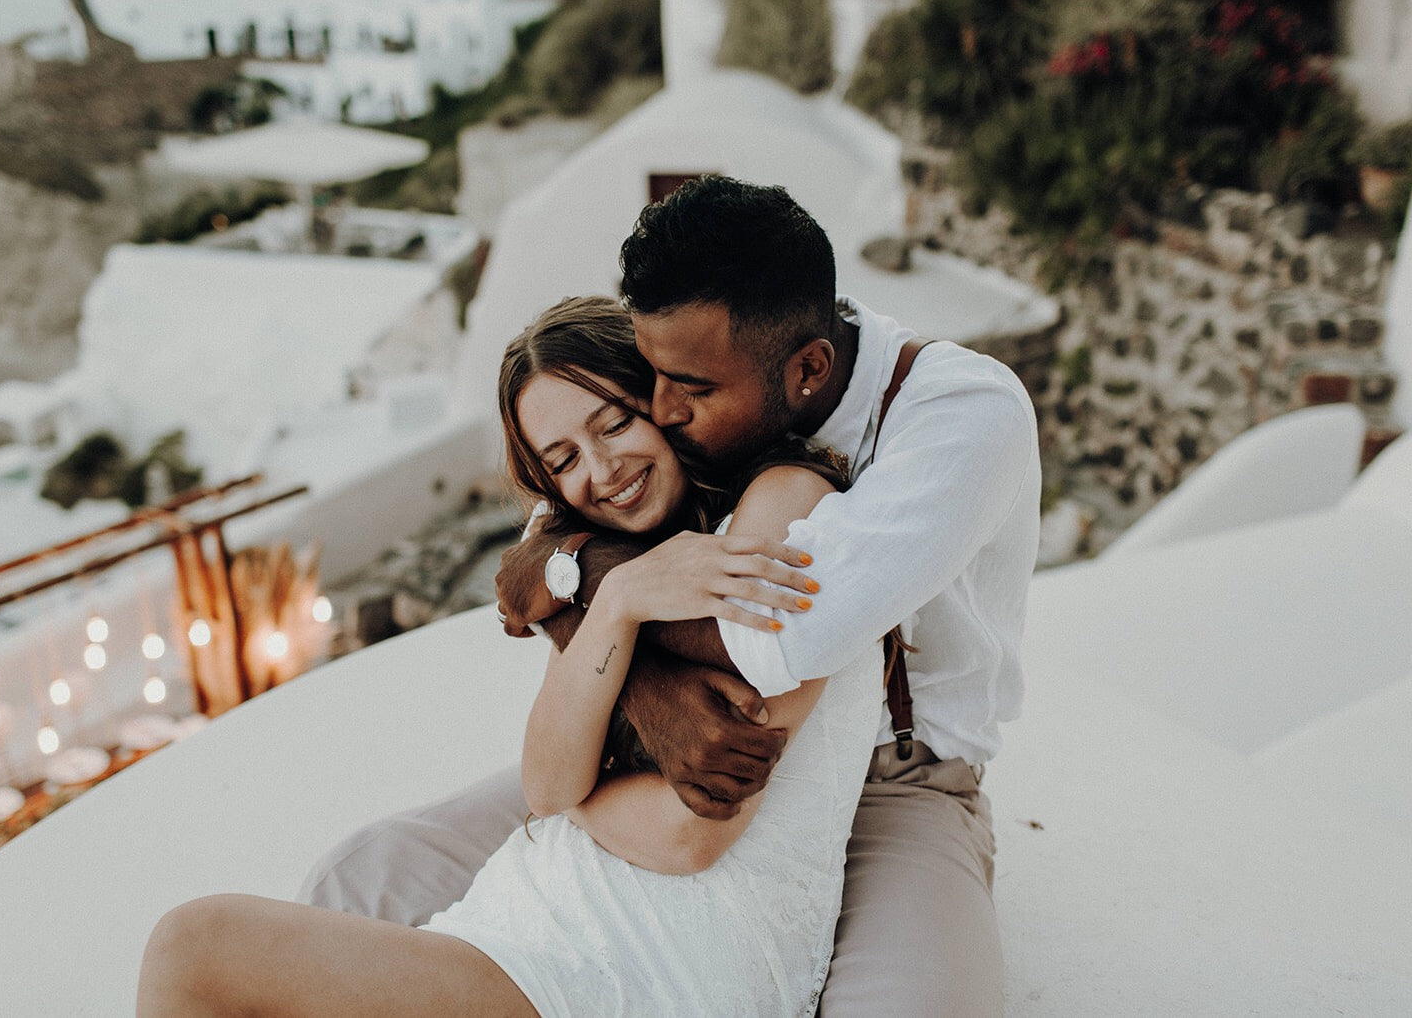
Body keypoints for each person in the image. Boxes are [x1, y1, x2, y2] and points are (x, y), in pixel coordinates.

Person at [302, 175, 1041, 1014]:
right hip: (664, 759)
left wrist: (586, 589)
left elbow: (775, 637)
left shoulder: (958, 413)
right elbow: (548, 536)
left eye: (683, 389)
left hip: (896, 780)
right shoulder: (700, 392)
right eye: (645, 380)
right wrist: (584, 585)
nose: (659, 409)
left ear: (809, 370)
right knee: (366, 874)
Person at [138, 296, 884, 1015]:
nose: (603, 469)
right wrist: (618, 597)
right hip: (534, 930)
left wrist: (579, 794)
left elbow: (686, 832)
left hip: (657, 964)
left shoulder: (789, 503)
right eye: (564, 459)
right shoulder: (615, 565)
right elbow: (548, 776)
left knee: (194, 946)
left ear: (664, 397)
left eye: (614, 422)